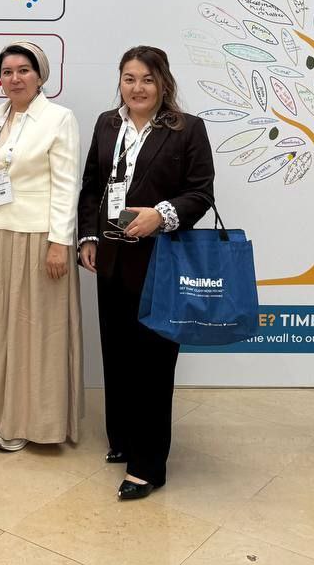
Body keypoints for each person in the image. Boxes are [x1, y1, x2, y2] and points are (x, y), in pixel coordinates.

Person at [77, 46, 215, 500]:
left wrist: (161, 214)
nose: (137, 88)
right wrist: (88, 237)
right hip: (111, 258)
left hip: (161, 262)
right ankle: (122, 439)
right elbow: (92, 186)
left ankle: (147, 466)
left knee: (153, 362)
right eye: (129, 78)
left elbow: (201, 193)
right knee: (117, 354)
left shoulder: (187, 128)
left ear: (163, 84)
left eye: (147, 80)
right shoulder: (107, 124)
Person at [0, 41, 83, 451]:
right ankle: (0, 414)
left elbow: (67, 186)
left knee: (38, 334)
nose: (15, 79)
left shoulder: (58, 118)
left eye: (23, 71)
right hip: (3, 234)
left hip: (40, 237)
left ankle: (36, 423)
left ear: (39, 76)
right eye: (7, 72)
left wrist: (59, 243)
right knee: (1, 330)